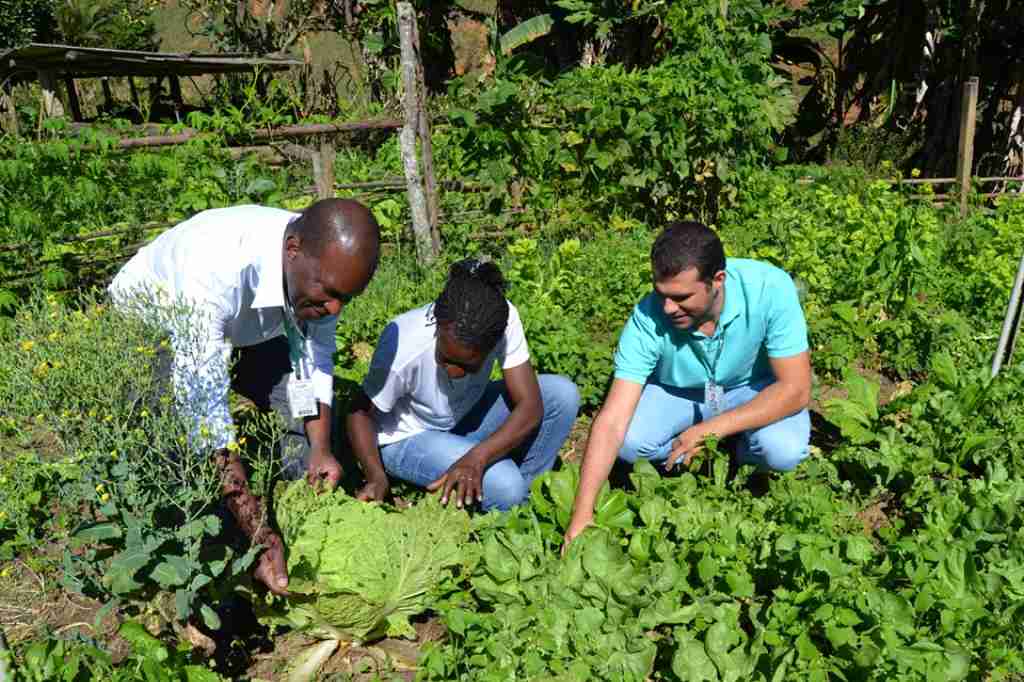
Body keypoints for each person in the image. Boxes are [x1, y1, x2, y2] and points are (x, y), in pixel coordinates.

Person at [108, 199, 380, 595]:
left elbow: (314, 358)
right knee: (174, 454)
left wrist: (320, 446)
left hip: (247, 326)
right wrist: (255, 530)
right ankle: (228, 550)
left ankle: (298, 517)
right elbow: (206, 413)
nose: (336, 308)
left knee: (302, 440)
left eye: (347, 299)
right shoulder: (216, 270)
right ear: (292, 251)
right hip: (157, 325)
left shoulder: (323, 272)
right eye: (330, 295)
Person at [564, 221, 811, 545]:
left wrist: (714, 428)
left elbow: (796, 389)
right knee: (630, 441)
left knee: (783, 451)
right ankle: (692, 452)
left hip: (753, 388)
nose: (668, 308)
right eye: (661, 293)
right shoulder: (648, 317)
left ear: (717, 280)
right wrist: (581, 518)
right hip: (679, 394)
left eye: (681, 297)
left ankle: (741, 451)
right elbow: (611, 422)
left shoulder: (769, 289)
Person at [346, 258, 580, 511]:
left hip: (462, 418)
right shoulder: (405, 342)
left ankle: (520, 504)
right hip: (407, 437)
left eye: (469, 366)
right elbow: (359, 413)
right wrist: (375, 476)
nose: (455, 371)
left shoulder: (500, 319)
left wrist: (477, 458)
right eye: (445, 359)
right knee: (505, 484)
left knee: (561, 394)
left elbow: (531, 406)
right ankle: (506, 498)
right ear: (438, 325)